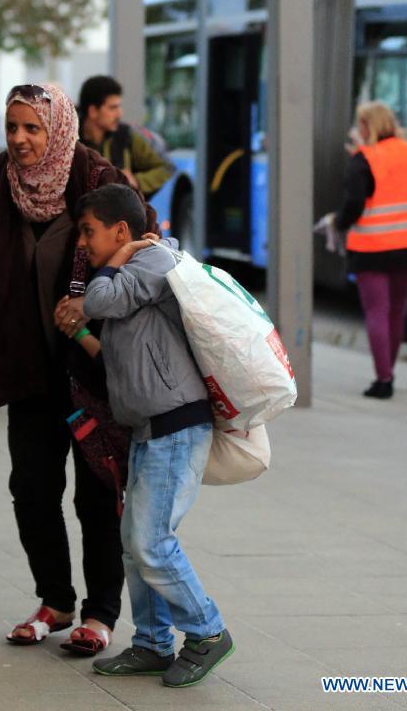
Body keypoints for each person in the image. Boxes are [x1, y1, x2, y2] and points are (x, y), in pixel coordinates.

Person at [0, 82, 150, 656]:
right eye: (12, 126)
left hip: (94, 371)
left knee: (98, 494)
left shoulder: (100, 181)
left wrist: (93, 303)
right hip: (28, 368)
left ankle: (99, 614)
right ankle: (55, 600)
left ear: (60, 128)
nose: (20, 139)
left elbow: (147, 251)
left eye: (33, 128)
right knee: (32, 488)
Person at [63, 183, 233, 688]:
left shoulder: (153, 261)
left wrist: (117, 260)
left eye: (88, 232)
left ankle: (208, 631)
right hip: (150, 428)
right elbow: (122, 352)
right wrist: (76, 333)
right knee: (133, 544)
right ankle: (153, 643)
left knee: (151, 541)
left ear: (120, 230)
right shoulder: (140, 270)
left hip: (176, 425)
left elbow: (97, 299)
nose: (81, 244)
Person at [326, 101, 407, 399]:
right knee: (397, 312)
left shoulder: (364, 159)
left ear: (367, 126)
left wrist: (338, 223)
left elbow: (353, 205)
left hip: (373, 248)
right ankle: (389, 372)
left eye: (360, 124)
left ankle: (383, 379)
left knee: (377, 312)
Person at [78, 75, 174, 197]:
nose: (119, 114)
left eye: (119, 106)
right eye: (113, 108)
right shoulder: (69, 141)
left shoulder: (126, 136)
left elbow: (166, 167)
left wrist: (136, 181)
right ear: (93, 111)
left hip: (120, 214)